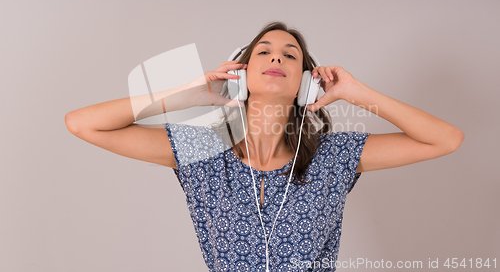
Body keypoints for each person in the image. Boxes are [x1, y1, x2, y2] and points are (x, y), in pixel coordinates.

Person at [65, 21, 464, 272]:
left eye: (290, 54)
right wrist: (187, 95)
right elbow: (82, 123)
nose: (277, 56)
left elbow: (446, 139)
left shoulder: (334, 157)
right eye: (265, 51)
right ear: (240, 75)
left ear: (306, 85)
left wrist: (356, 92)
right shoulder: (202, 153)